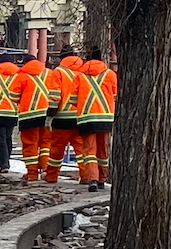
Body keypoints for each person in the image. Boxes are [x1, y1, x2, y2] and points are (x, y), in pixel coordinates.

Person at [75, 55, 116, 186]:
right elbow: (115, 94)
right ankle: (102, 179)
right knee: (103, 150)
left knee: (89, 151)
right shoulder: (110, 74)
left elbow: (72, 98)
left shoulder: (80, 76)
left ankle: (92, 178)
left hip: (86, 118)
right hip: (106, 118)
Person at [42, 55, 83, 185]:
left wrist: (50, 115)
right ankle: (87, 175)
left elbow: (55, 95)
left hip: (62, 118)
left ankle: (52, 176)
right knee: (82, 150)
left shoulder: (58, 72)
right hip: (80, 117)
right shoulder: (83, 72)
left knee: (56, 150)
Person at [13, 56, 51, 181]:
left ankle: (32, 174)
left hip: (28, 117)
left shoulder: (21, 76)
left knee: (30, 145)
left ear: (25, 63)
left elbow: (13, 95)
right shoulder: (49, 74)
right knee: (46, 143)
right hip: (47, 115)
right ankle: (46, 169)